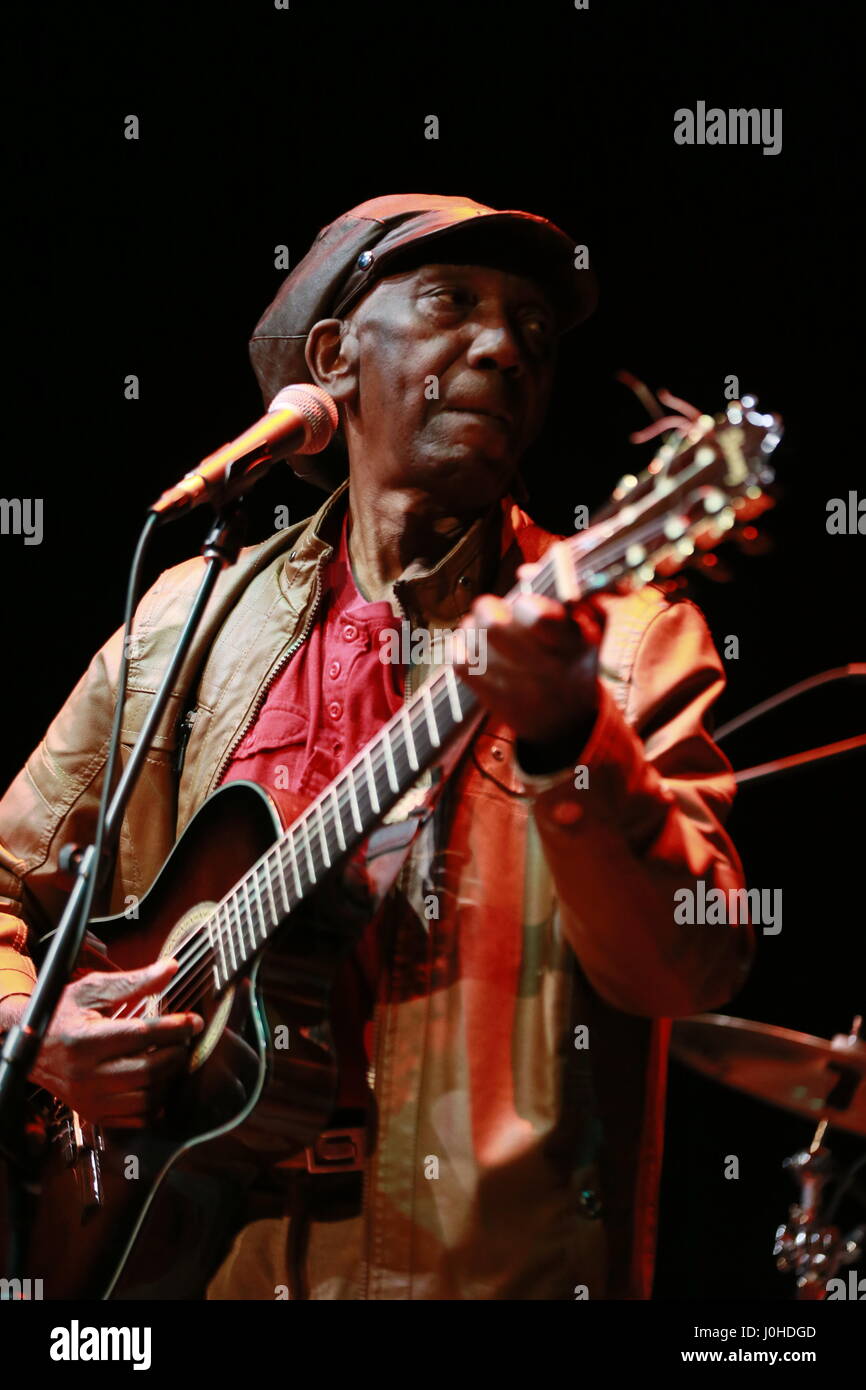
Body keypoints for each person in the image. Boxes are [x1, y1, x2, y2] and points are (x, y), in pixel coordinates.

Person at [0, 193, 752, 1300]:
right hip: (188, 1258)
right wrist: (33, 1026)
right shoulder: (179, 623)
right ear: (332, 358)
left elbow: (689, 963)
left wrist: (566, 736)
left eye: (534, 337)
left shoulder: (628, 642)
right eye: (452, 304)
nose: (502, 348)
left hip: (473, 1271)